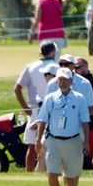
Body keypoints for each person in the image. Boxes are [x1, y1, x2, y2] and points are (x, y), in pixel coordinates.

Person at [34, 68, 89, 186]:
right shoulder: (50, 98)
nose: (62, 82)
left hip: (73, 141)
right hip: (53, 142)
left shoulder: (79, 98)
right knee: (52, 174)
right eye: (60, 79)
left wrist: (86, 142)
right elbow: (42, 120)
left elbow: (85, 121)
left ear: (71, 81)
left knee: (71, 177)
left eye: (65, 79)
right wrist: (38, 140)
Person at [15, 41, 59, 172]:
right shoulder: (57, 67)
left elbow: (17, 89)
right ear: (52, 52)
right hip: (53, 108)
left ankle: (29, 173)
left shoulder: (31, 66)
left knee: (32, 146)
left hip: (35, 109)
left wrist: (25, 108)